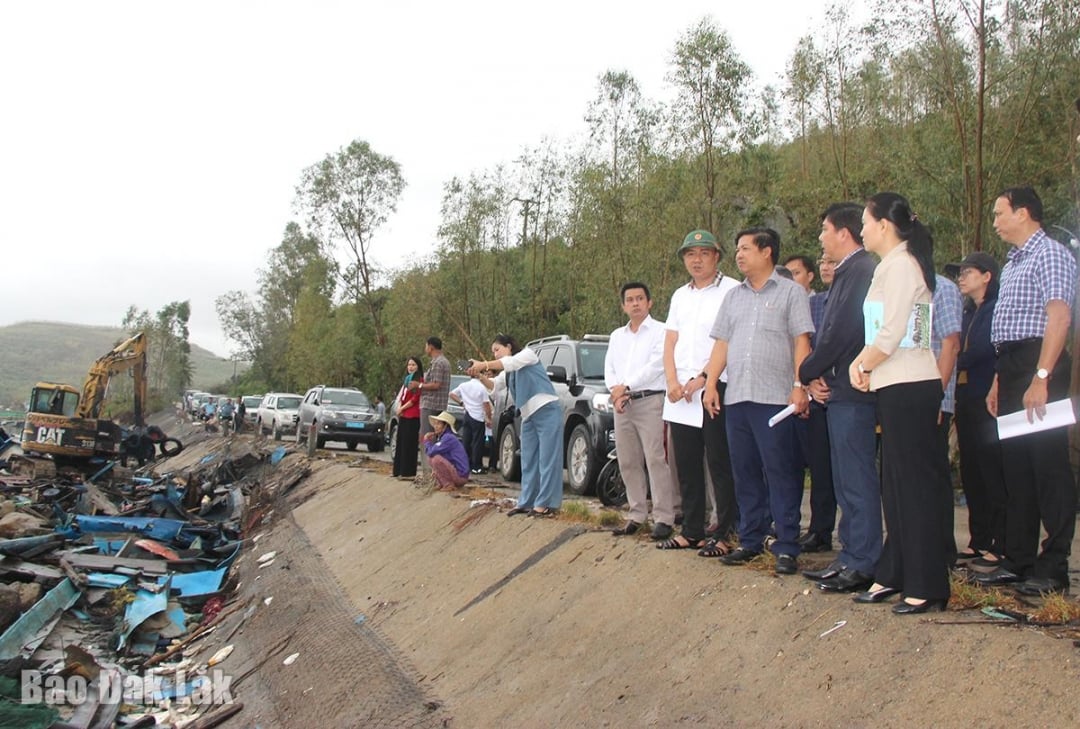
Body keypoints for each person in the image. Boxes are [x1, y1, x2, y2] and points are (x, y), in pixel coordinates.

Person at [849, 192, 952, 615]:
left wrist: (861, 363)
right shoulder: (891, 266)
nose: (861, 230)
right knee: (894, 484)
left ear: (884, 226)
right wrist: (871, 367)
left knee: (914, 487)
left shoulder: (903, 265)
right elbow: (901, 332)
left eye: (865, 223)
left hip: (910, 385)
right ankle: (895, 571)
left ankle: (928, 583)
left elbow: (890, 335)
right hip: (896, 384)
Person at [976, 186, 1077, 596]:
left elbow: (1059, 316)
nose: (995, 221)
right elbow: (1009, 328)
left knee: (1047, 464)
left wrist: (1041, 376)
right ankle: (1018, 559)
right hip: (1012, 365)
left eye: (1000, 213)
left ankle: (1054, 566)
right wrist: (1001, 378)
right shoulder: (1014, 261)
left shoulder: (1049, 253)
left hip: (1041, 362)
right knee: (1016, 469)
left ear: (1023, 213)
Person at [703, 228, 814, 576]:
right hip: (737, 398)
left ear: (767, 252)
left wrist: (800, 385)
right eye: (737, 249)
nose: (739, 255)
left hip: (775, 400)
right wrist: (710, 384)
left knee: (780, 470)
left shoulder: (791, 293)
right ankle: (750, 540)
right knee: (745, 470)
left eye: (746, 248)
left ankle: (786, 545)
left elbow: (801, 342)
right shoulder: (733, 297)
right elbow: (721, 344)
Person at [799, 204, 881, 592]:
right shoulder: (848, 273)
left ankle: (865, 560)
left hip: (856, 392)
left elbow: (843, 332)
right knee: (844, 477)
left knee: (857, 477)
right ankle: (849, 555)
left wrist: (808, 369)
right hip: (839, 391)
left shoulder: (863, 270)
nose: (821, 237)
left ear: (843, 234)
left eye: (824, 229)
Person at [658, 229, 739, 551]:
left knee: (720, 462)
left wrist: (704, 378)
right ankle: (692, 528)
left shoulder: (732, 291)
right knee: (687, 464)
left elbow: (728, 340)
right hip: (680, 395)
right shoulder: (680, 295)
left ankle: (725, 530)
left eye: (704, 253)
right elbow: (670, 341)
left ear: (716, 256)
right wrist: (672, 382)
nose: (697, 260)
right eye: (691, 254)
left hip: (715, 386)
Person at [604, 282, 678, 537]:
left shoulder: (661, 331)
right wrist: (616, 391)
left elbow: (657, 365)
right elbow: (610, 368)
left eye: (640, 298)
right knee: (627, 460)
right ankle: (636, 514)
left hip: (650, 401)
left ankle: (664, 518)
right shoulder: (617, 336)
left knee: (656, 459)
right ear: (623, 305)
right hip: (622, 404)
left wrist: (625, 386)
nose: (635, 303)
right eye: (630, 299)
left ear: (650, 302)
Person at [951, 252, 1008, 566]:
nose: (962, 277)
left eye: (968, 272)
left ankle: (1000, 541)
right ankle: (979, 538)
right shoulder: (966, 311)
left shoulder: (994, 308)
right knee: (971, 470)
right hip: (964, 397)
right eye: (960, 273)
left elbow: (985, 348)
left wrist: (951, 361)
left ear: (987, 276)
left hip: (988, 396)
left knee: (991, 469)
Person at [470, 335, 563, 516]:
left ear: (509, 346)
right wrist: (479, 375)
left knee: (547, 459)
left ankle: (545, 504)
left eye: (497, 349)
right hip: (528, 416)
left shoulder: (527, 355)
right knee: (527, 459)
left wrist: (484, 364)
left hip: (546, 410)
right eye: (493, 352)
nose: (495, 354)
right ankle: (526, 501)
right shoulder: (509, 370)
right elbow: (495, 386)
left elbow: (509, 363)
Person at [796, 255, 837, 553]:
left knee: (849, 471)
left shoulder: (861, 295)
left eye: (832, 262)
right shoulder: (815, 303)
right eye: (822, 262)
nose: (826, 267)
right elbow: (805, 346)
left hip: (848, 392)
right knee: (821, 468)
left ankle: (853, 537)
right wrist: (811, 381)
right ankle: (820, 530)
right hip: (816, 392)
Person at [413, 336, 451, 475]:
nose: (425, 349)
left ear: (431, 347)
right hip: (438, 404)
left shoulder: (438, 363)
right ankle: (433, 472)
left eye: (426, 346)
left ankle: (428, 473)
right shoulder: (443, 362)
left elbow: (436, 384)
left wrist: (420, 385)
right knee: (434, 438)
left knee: (427, 438)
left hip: (431, 404)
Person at [450, 373, 492, 473]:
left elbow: (451, 394)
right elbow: (486, 404)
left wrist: (461, 402)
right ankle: (476, 466)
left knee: (466, 440)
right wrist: (489, 418)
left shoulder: (464, 385)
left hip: (467, 415)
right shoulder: (482, 388)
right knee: (477, 443)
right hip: (478, 417)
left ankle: (464, 464)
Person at [392, 356, 424, 479]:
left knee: (409, 444)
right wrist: (399, 408)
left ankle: (408, 472)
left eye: (413, 365)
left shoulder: (418, 381)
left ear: (418, 367)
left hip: (412, 414)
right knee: (401, 442)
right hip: (404, 414)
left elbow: (414, 399)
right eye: (409, 365)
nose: (411, 367)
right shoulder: (407, 380)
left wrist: (402, 408)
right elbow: (403, 396)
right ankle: (398, 470)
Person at [423, 411, 470, 491]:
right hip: (457, 473)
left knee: (436, 459)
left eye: (438, 424)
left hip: (460, 476)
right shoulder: (444, 437)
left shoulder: (448, 438)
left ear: (445, 426)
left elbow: (431, 452)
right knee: (432, 459)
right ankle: (441, 483)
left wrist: (427, 441)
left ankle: (448, 484)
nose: (435, 426)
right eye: (435, 424)